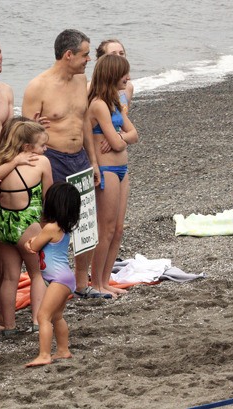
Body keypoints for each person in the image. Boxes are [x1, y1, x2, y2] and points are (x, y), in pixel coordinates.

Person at [22, 29, 103, 299]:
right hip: (52, 157)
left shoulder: (81, 81)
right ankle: (49, 278)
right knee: (51, 219)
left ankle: (82, 283)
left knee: (84, 219)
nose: (89, 59)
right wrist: (34, 127)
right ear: (68, 55)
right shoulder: (38, 86)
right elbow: (23, 132)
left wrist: (93, 162)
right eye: (85, 54)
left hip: (78, 155)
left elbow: (83, 122)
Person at [0, 121, 52, 333]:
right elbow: (48, 197)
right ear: (27, 147)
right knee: (37, 273)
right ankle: (38, 321)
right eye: (42, 145)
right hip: (27, 224)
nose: (45, 149)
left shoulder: (0, 161)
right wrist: (48, 227)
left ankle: (8, 325)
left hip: (3, 224)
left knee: (10, 276)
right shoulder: (42, 163)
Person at [88, 54, 139, 298]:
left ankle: (106, 280)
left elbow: (133, 134)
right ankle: (96, 282)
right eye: (123, 74)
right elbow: (118, 143)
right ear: (111, 75)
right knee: (105, 229)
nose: (128, 78)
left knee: (118, 229)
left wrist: (118, 138)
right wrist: (119, 139)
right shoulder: (98, 103)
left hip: (122, 170)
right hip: (107, 170)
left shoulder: (115, 102)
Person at [23, 182, 81, 367]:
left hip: (58, 279)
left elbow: (33, 247)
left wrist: (29, 243)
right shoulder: (63, 228)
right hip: (65, 278)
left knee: (43, 316)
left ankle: (44, 354)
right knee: (57, 316)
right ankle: (63, 349)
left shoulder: (50, 228)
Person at [95, 39, 134, 114]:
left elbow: (124, 119)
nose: (119, 57)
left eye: (121, 53)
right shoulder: (92, 89)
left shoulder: (128, 87)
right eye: (113, 54)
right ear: (101, 59)